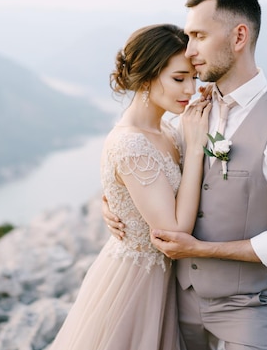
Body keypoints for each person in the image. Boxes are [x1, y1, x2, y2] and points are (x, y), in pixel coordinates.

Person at [103, 0, 267, 350]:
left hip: (245, 309)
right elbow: (146, 169)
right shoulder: (189, 112)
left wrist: (203, 251)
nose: (189, 52)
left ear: (239, 36)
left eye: (199, 36)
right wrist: (112, 202)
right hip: (173, 302)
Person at [49, 23, 212, 350]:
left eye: (193, 78)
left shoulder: (167, 129)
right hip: (137, 284)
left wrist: (111, 202)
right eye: (178, 79)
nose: (190, 90)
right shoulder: (131, 145)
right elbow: (175, 231)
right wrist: (195, 148)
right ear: (148, 78)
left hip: (172, 281)